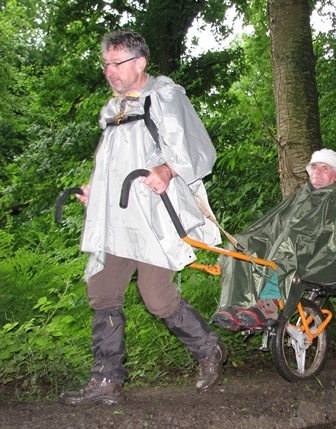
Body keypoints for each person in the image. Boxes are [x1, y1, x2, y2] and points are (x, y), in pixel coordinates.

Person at [59, 31, 226, 406]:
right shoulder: (114, 109)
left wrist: (167, 169)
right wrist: (93, 188)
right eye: (106, 64)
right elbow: (112, 161)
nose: (109, 71)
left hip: (154, 216)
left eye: (117, 63)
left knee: (156, 298)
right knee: (102, 290)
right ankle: (107, 380)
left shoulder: (164, 97)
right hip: (116, 218)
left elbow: (198, 150)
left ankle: (209, 348)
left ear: (140, 63)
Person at [212, 149, 336, 328]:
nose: (318, 171)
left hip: (325, 254)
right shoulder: (301, 195)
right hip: (294, 244)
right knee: (242, 243)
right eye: (314, 167)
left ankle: (269, 304)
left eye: (325, 168)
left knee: (290, 240)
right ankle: (236, 304)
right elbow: (274, 223)